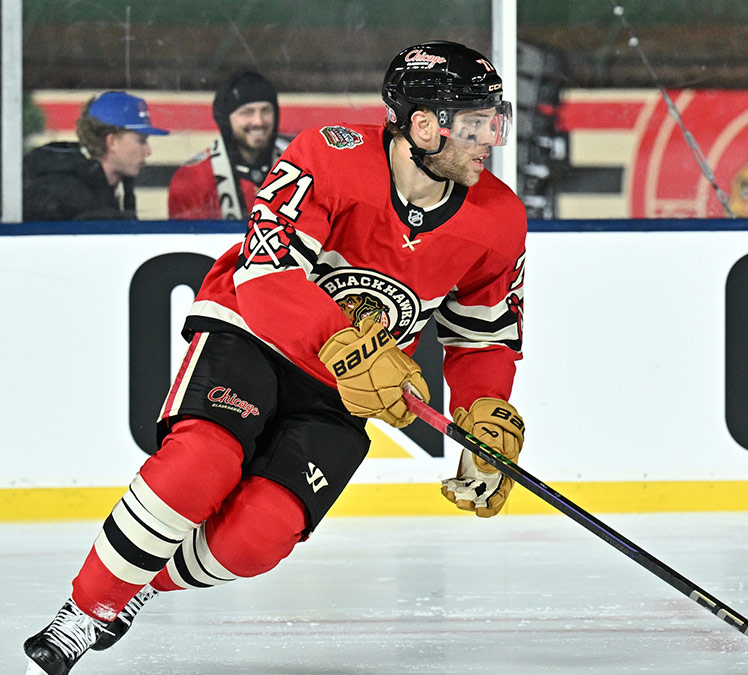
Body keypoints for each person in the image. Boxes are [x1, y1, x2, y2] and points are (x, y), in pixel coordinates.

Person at [24, 40, 526, 675]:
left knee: (260, 536)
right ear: (424, 124)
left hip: (343, 386)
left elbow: (480, 336)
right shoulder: (329, 155)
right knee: (201, 460)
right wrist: (341, 339)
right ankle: (86, 610)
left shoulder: (498, 220)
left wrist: (486, 413)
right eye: (477, 124)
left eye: (493, 121)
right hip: (253, 333)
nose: (492, 139)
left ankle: (137, 588)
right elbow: (268, 271)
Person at [22, 91, 168, 221]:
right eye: (141, 141)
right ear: (112, 142)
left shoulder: (92, 190)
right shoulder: (67, 195)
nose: (148, 151)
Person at [167, 70, 289, 220]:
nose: (259, 121)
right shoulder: (193, 178)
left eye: (266, 111)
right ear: (226, 119)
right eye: (247, 112)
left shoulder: (297, 171)